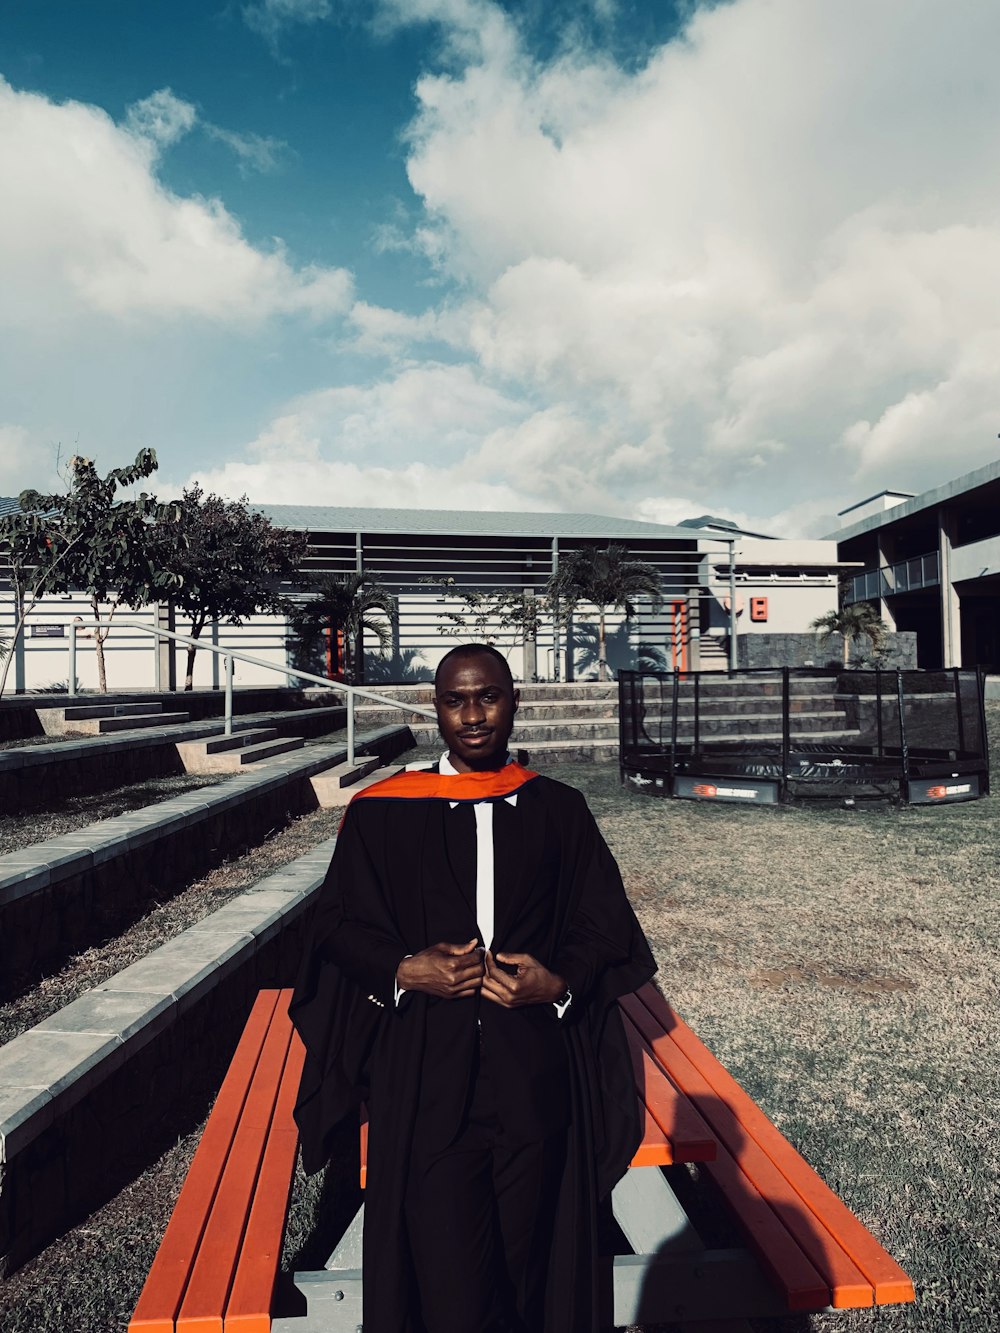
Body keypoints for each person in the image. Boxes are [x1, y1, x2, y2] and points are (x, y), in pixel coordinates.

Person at [290, 643, 656, 1333]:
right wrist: (403, 968)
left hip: (533, 1077)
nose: (473, 714)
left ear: (513, 699)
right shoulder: (383, 813)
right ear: (436, 708)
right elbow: (335, 925)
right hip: (429, 1077)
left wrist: (559, 980)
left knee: (531, 1272)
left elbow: (604, 925)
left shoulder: (559, 811)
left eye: (487, 695)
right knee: (450, 1284)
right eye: (456, 699)